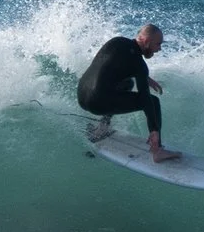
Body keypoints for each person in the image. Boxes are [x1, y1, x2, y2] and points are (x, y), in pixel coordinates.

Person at [77, 23, 179, 162]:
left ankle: (102, 127)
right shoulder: (139, 65)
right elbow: (145, 99)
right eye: (158, 44)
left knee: (128, 83)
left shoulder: (117, 42)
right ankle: (157, 150)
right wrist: (153, 130)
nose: (159, 49)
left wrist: (144, 78)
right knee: (154, 102)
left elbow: (110, 65)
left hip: (82, 96)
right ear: (147, 42)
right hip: (97, 104)